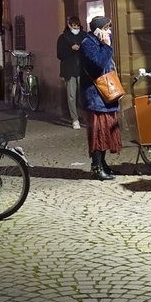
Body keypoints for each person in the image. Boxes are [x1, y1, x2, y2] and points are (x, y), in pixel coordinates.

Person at [79, 15, 121, 180]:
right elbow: (98, 65)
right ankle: (96, 167)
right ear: (97, 30)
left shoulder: (98, 43)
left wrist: (105, 46)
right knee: (98, 133)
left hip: (105, 95)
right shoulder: (88, 44)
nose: (108, 32)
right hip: (95, 96)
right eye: (106, 28)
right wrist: (107, 46)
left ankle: (103, 164)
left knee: (107, 131)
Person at [57, 15, 84, 129]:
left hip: (83, 70)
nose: (75, 28)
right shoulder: (63, 38)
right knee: (71, 96)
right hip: (69, 70)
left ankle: (85, 116)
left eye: (77, 25)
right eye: (73, 26)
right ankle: (75, 119)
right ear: (69, 25)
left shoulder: (84, 36)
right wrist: (71, 49)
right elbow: (59, 54)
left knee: (83, 95)